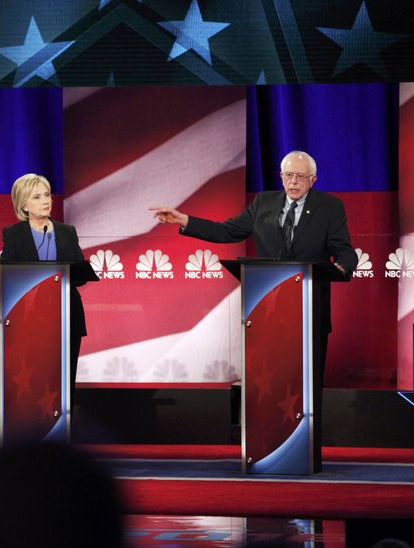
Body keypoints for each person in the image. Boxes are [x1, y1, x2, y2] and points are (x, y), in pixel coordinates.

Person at [150, 150, 357, 471]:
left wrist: (345, 266)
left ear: (313, 180)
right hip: (266, 314)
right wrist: (185, 221)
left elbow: (343, 249)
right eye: (288, 175)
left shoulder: (330, 207)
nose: (293, 182)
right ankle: (265, 452)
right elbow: (226, 231)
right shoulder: (264, 203)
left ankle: (304, 457)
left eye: (301, 177)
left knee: (306, 388)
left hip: (308, 313)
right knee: (268, 384)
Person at [0, 173, 87, 408]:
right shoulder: (13, 234)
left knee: (64, 380)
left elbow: (80, 273)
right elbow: (6, 274)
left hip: (67, 314)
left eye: (47, 195)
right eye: (37, 197)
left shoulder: (67, 231)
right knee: (34, 385)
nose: (46, 201)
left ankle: (65, 432)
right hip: (30, 318)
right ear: (24, 205)